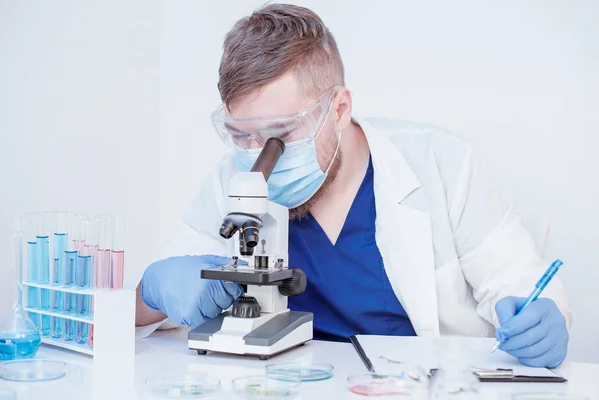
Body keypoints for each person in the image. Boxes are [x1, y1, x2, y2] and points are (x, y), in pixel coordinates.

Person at [136, 4, 571, 368]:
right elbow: (140, 310)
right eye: (240, 135)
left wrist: (541, 319)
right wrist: (155, 289)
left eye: (278, 135)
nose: (257, 156)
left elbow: (520, 281)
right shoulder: (233, 178)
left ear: (339, 108)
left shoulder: (441, 164)